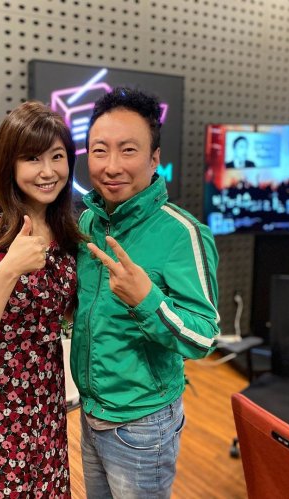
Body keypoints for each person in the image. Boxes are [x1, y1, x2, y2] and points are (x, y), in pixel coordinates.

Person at [70, 87, 220, 498]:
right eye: (100, 151)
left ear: (154, 159)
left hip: (142, 425)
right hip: (91, 412)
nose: (112, 166)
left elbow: (204, 336)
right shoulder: (88, 224)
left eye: (128, 150)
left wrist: (146, 300)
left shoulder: (182, 233)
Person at [0, 101, 84, 498]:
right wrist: (8, 269)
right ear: (9, 163)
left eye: (57, 156)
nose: (48, 171)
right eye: (32, 158)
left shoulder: (67, 230)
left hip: (46, 404)